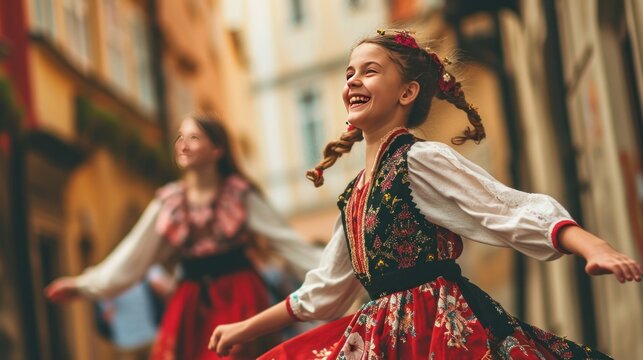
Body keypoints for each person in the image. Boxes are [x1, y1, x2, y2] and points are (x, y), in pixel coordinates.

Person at [208, 30, 642, 359]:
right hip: (382, 336)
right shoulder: (354, 194)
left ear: (407, 92)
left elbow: (505, 209)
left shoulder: (419, 161)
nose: (354, 80)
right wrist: (245, 328)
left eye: (370, 70)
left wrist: (593, 246)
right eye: (349, 73)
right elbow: (324, 290)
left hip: (437, 328)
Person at [45, 113, 323, 359]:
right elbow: (133, 255)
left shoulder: (239, 196)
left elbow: (288, 243)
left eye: (194, 137)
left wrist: (345, 273)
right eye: (180, 137)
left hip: (238, 298)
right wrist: (85, 285)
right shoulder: (169, 202)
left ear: (217, 150)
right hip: (189, 306)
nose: (183, 144)